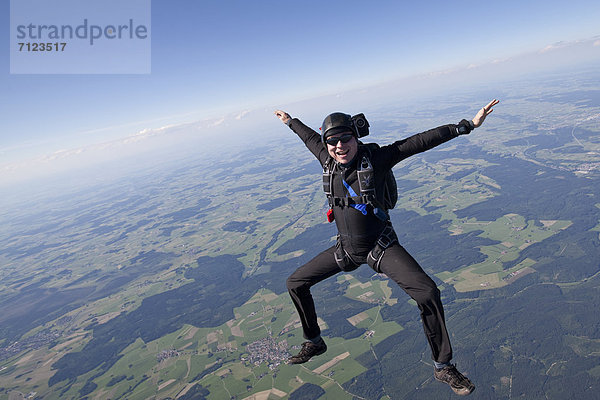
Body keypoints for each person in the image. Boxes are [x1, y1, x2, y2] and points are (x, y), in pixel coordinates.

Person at [274, 99, 498, 396]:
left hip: (380, 247)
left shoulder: (376, 159)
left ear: (356, 137)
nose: (339, 146)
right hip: (345, 249)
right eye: (333, 141)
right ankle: (314, 341)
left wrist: (465, 126)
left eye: (345, 139)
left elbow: (416, 142)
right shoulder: (326, 157)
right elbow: (309, 138)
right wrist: (291, 121)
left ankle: (443, 366)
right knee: (295, 283)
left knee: (428, 292)